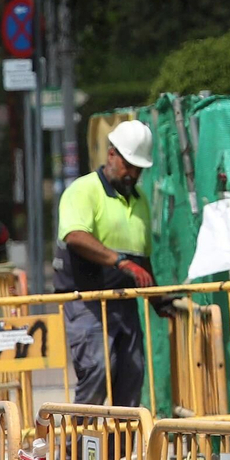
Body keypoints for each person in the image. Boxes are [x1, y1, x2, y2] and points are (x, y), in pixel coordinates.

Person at [53, 120, 156, 407]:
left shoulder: (140, 201)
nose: (133, 174)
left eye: (138, 169)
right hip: (87, 301)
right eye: (128, 165)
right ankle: (77, 450)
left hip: (125, 304)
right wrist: (120, 262)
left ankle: (117, 453)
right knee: (98, 372)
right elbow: (75, 236)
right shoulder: (83, 190)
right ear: (111, 154)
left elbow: (142, 260)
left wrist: (161, 301)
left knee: (131, 380)